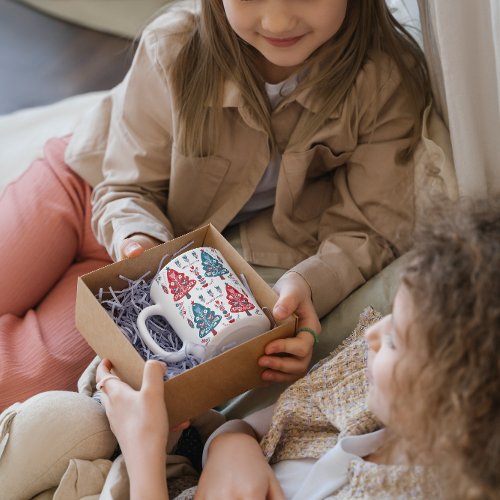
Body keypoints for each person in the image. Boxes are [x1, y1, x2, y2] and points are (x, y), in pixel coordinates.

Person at [0, 0, 433, 410]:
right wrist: (138, 240)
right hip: (89, 188)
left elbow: (368, 230)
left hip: (162, 273)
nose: (278, 21)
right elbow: (124, 185)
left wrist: (309, 287)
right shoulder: (173, 47)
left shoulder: (386, 83)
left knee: (20, 381)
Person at [1, 196, 497, 499]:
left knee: (50, 419)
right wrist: (232, 447)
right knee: (63, 421)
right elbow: (249, 425)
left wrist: (145, 452)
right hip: (177, 467)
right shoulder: (370, 387)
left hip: (152, 479)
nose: (371, 334)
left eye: (395, 339)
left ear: (457, 403)